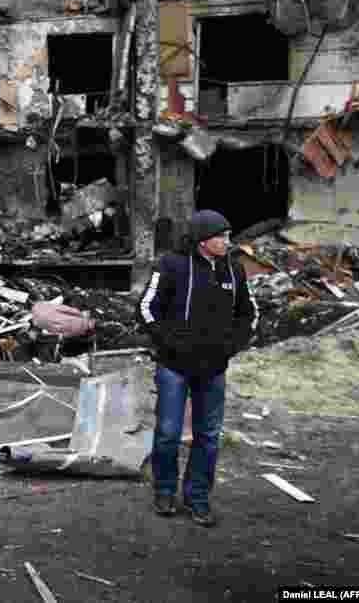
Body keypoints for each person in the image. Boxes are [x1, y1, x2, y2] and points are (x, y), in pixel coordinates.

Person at [137, 209, 258, 527]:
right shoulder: (171, 266)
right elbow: (147, 307)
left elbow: (248, 314)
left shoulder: (233, 271)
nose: (227, 241)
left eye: (228, 235)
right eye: (222, 236)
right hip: (174, 366)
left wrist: (231, 347)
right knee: (168, 433)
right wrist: (169, 343)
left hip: (213, 369)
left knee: (208, 436)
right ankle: (164, 492)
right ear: (204, 241)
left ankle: (198, 498)